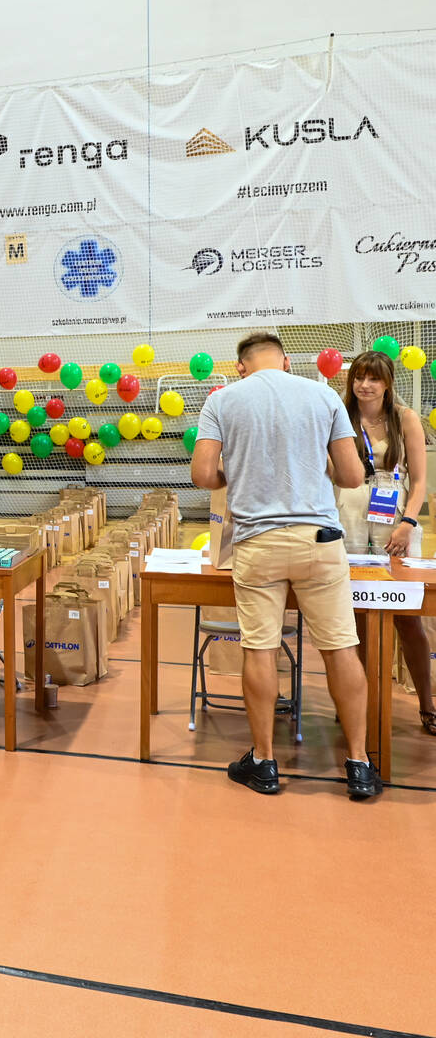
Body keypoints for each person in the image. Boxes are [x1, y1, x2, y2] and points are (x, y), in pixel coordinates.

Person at [191, 332, 381, 799]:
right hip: (320, 541)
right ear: (287, 361)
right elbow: (352, 475)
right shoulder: (322, 395)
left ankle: (264, 762)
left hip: (258, 542)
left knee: (260, 649)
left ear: (240, 366)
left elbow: (202, 474)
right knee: (340, 647)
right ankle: (359, 763)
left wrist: (236, 474)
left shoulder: (222, 400)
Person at [335, 350, 436, 735]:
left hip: (395, 518)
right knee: (355, 617)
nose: (365, 385)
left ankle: (427, 704)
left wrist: (408, 522)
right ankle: (357, 702)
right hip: (347, 513)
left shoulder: (404, 418)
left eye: (373, 378)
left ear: (387, 382)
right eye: (359, 377)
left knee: (408, 618)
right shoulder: (340, 415)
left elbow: (420, 480)